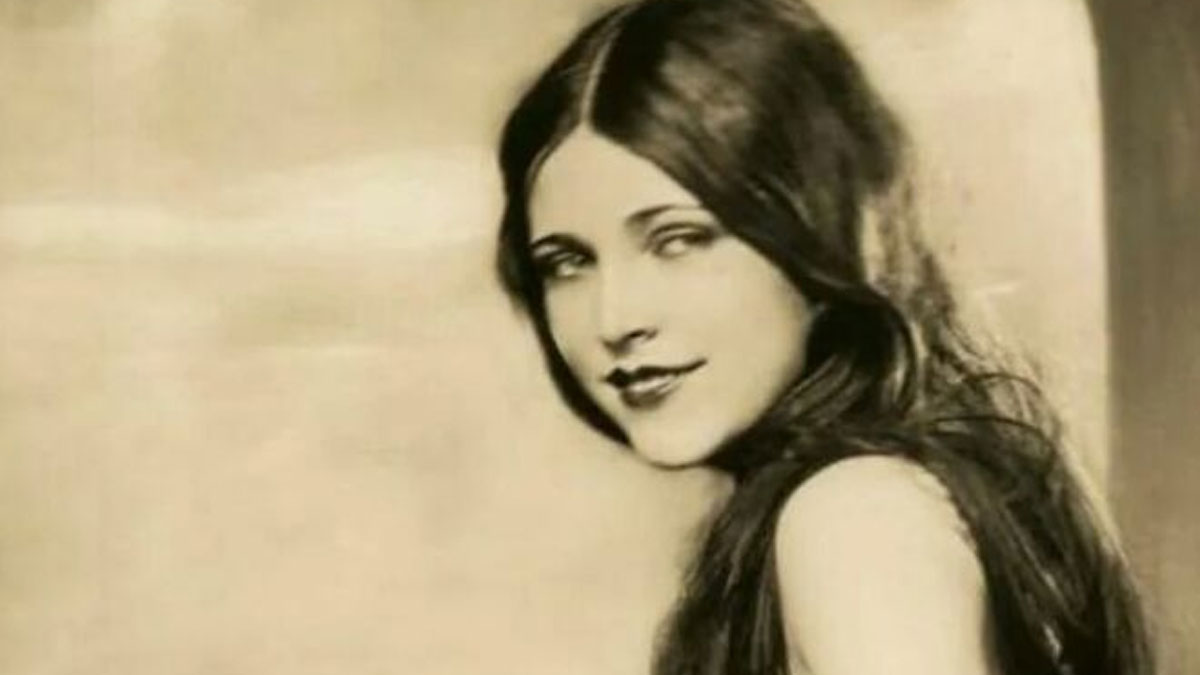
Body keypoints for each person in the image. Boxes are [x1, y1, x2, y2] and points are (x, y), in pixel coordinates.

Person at [493, 0, 1154, 673]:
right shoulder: (872, 497)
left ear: (816, 228)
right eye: (566, 262)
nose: (614, 319)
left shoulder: (851, 512)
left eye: (679, 239)